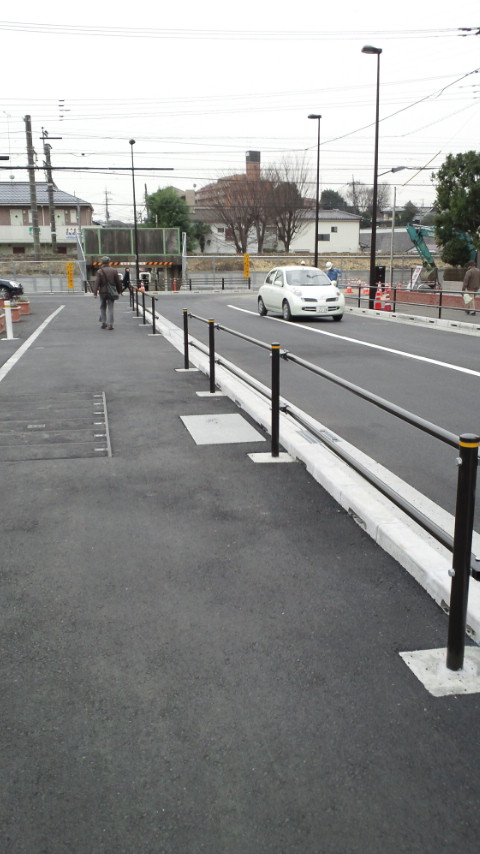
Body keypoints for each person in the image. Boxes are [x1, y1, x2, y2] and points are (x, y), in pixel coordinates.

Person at [93, 256, 122, 330]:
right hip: (111, 292)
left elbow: (97, 282)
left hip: (102, 292)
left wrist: (95, 293)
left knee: (102, 307)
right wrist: (119, 291)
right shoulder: (114, 270)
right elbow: (118, 282)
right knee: (110, 308)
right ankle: (110, 324)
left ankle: (103, 323)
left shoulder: (99, 271)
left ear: (102, 262)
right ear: (109, 262)